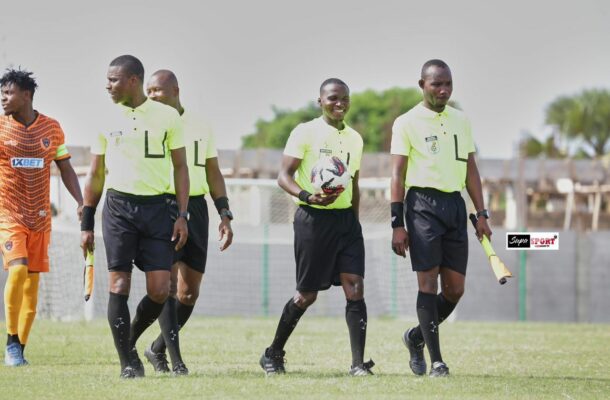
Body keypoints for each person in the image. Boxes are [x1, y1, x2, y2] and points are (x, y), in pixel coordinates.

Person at [80, 55, 190, 378]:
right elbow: (95, 172)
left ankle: (129, 341)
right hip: (118, 209)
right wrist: (86, 222)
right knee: (119, 282)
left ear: (133, 80)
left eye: (113, 80)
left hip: (157, 209)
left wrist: (182, 215)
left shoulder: (168, 117)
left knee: (160, 289)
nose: (107, 86)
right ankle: (128, 362)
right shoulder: (103, 118)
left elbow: (181, 167)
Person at [259, 78, 373, 376]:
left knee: (355, 287)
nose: (340, 103)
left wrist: (355, 221)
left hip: (346, 222)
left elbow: (355, 184)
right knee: (306, 295)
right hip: (312, 220)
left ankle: (358, 364)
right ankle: (273, 353)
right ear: (320, 101)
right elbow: (283, 176)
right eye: (333, 98)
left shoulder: (355, 139)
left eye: (345, 98)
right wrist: (308, 195)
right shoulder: (305, 132)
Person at [390, 59, 492, 377]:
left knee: (454, 290)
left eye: (448, 83)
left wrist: (481, 213)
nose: (444, 89)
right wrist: (397, 223)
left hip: (455, 206)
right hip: (422, 205)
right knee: (427, 282)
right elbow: (396, 174)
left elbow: (470, 168)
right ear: (422, 85)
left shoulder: (461, 120)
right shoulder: (406, 122)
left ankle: (416, 337)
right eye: (437, 84)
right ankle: (437, 361)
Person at [143, 69, 234, 373]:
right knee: (166, 286)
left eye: (157, 90)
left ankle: (155, 348)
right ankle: (175, 360)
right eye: (149, 91)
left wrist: (224, 212)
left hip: (196, 208)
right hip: (163, 206)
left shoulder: (201, 124)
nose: (152, 96)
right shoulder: (147, 124)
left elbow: (213, 171)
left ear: (175, 90)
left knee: (188, 292)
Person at [0, 68, 83, 366]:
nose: (4, 98)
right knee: (17, 271)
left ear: (27, 95)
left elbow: (66, 167)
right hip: (8, 215)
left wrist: (81, 201)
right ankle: (10, 339)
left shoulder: (52, 129)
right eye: (2, 93)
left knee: (32, 289)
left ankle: (19, 348)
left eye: (9, 93)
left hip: (40, 218)